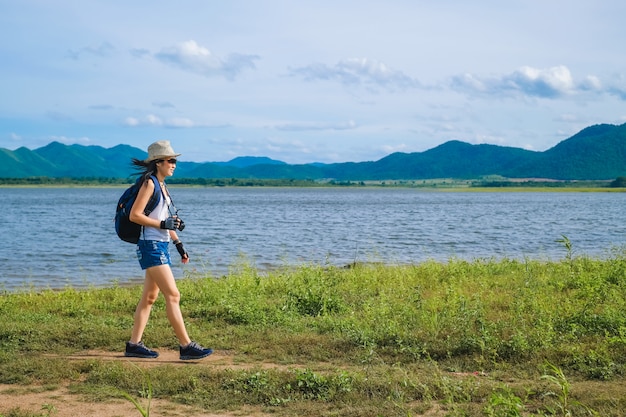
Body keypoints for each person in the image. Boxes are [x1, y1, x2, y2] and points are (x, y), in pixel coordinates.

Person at [124, 140, 213, 360]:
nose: (174, 164)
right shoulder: (149, 184)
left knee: (149, 297)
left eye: (174, 160)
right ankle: (186, 346)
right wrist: (163, 225)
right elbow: (134, 215)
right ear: (158, 163)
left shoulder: (162, 186)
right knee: (173, 294)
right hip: (150, 245)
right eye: (170, 160)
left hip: (160, 244)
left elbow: (163, 220)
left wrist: (178, 242)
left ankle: (133, 345)